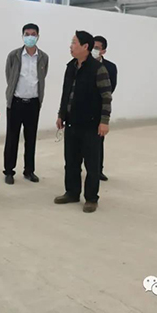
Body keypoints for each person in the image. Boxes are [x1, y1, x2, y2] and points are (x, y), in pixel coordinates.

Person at [55, 31, 112, 213]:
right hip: (72, 122)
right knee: (71, 161)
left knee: (91, 164)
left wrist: (104, 121)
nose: (70, 46)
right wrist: (61, 114)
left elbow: (106, 97)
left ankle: (91, 198)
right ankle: (72, 193)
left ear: (85, 46)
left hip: (91, 124)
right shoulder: (70, 66)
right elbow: (66, 93)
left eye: (74, 42)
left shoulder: (98, 69)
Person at [3, 23, 49, 185]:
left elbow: (42, 77)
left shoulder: (43, 57)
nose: (30, 37)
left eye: (33, 34)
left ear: (38, 36)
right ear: (22, 36)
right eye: (27, 34)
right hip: (16, 102)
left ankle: (29, 171)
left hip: (33, 104)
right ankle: (9, 171)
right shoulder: (14, 55)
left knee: (31, 138)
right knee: (12, 138)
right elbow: (9, 76)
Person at [92, 35, 118, 182]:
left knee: (98, 141)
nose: (93, 50)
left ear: (103, 51)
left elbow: (110, 88)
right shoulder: (81, 63)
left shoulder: (110, 67)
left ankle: (98, 170)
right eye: (92, 47)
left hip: (99, 109)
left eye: (97, 48)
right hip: (82, 108)